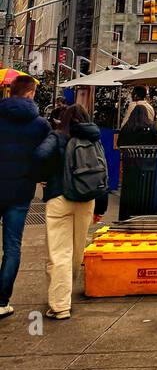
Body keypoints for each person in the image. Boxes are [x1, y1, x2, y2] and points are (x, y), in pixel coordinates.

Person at [42, 103, 109, 320]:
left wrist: (43, 176)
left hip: (60, 198)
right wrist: (101, 206)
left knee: (60, 252)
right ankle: (64, 294)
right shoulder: (94, 139)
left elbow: (38, 156)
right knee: (76, 252)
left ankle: (60, 305)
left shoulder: (58, 137)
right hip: (86, 200)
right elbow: (101, 173)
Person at [0, 75, 57, 319]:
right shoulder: (40, 125)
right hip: (21, 191)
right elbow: (45, 155)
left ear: (11, 91)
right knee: (12, 247)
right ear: (32, 93)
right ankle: (2, 301)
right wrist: (38, 177)